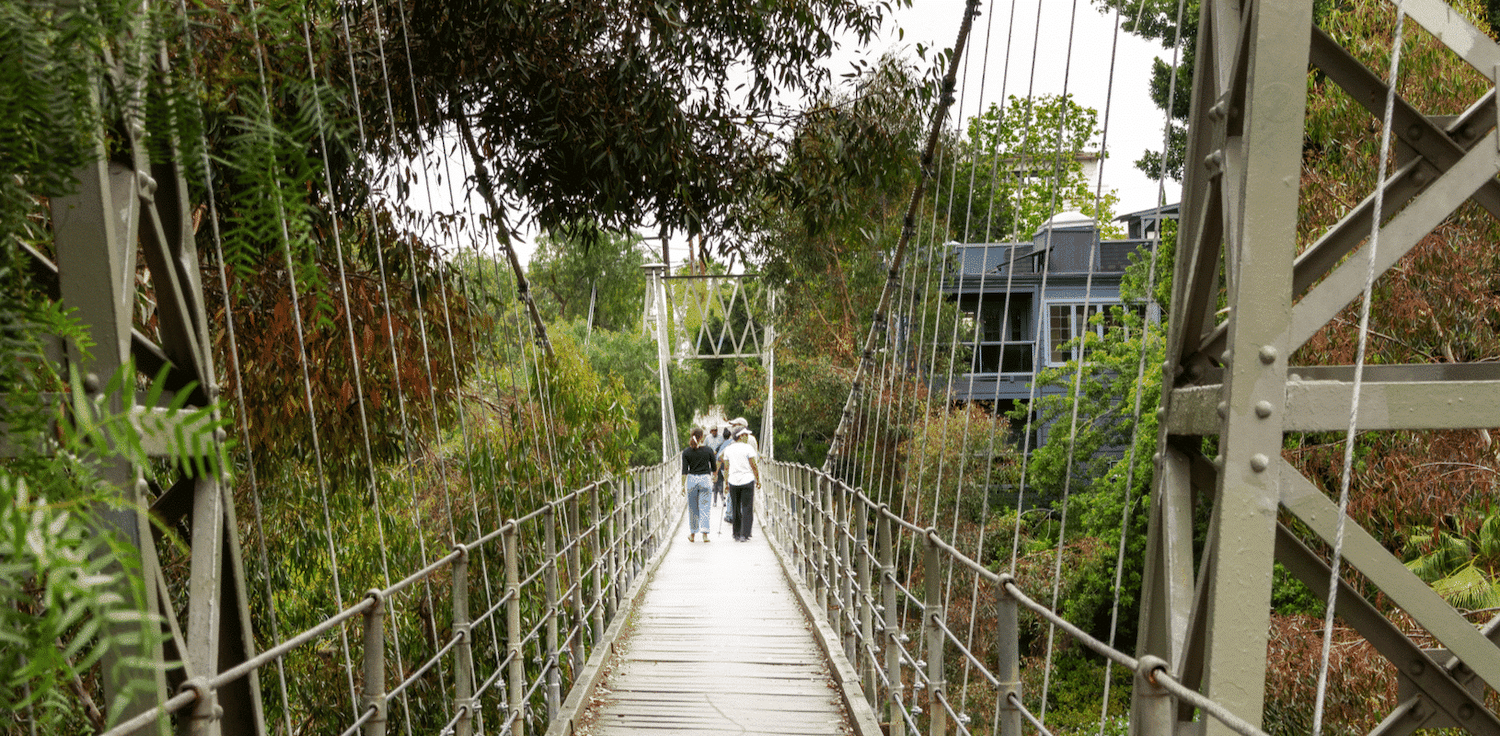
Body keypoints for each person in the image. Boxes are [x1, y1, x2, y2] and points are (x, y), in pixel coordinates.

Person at [719, 427, 761, 542]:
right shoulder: (748, 448)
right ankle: (745, 534)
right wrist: (758, 479)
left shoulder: (729, 449)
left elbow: (726, 467)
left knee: (735, 507)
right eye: (745, 435)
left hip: (733, 481)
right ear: (740, 436)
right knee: (747, 507)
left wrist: (726, 483)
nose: (747, 437)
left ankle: (736, 533)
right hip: (747, 480)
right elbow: (754, 465)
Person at [681, 427, 717, 543]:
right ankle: (705, 535)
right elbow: (714, 468)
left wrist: (682, 486)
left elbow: (684, 471)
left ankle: (692, 534)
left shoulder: (686, 452)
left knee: (692, 508)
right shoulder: (709, 450)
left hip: (692, 480)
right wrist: (715, 477)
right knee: (705, 507)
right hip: (705, 479)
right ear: (702, 437)